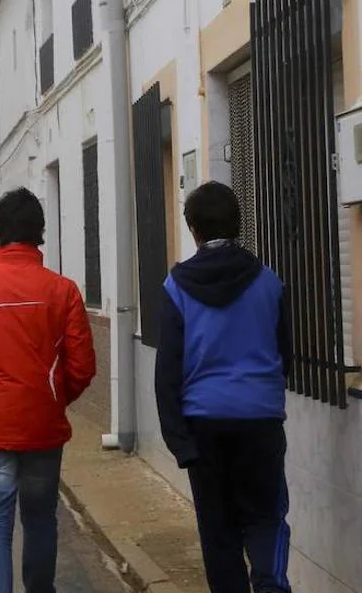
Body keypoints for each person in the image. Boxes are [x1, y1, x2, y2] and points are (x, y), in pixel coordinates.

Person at [0, 187, 97, 593]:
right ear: (40, 232)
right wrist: (54, 400)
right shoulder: (63, 291)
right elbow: (82, 367)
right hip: (43, 425)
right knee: (41, 516)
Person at [155, 181, 293, 593]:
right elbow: (284, 354)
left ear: (193, 229)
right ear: (238, 225)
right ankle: (270, 583)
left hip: (204, 426)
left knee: (218, 534)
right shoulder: (268, 281)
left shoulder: (175, 288)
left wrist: (180, 443)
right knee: (266, 517)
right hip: (259, 421)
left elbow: (168, 372)